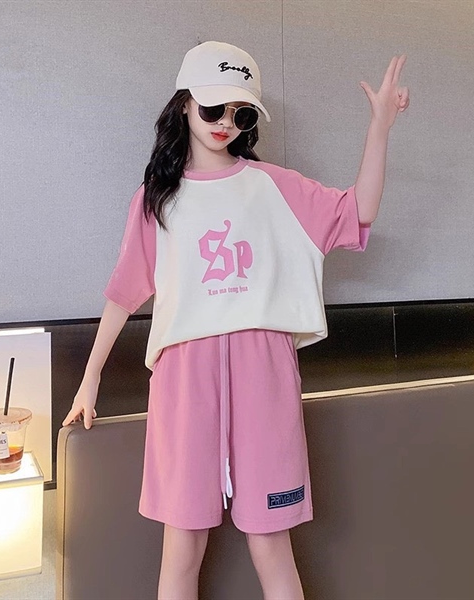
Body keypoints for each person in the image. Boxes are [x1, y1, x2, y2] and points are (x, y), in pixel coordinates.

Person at [63, 40, 409, 600]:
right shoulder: (157, 198)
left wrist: (380, 128)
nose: (225, 123)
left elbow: (358, 210)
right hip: (184, 376)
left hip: (263, 371)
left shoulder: (275, 186)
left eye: (240, 114)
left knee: (272, 543)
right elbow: (124, 293)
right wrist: (90, 377)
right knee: (181, 548)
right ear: (184, 105)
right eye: (212, 109)